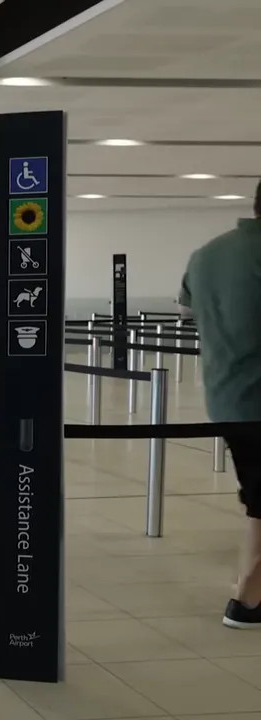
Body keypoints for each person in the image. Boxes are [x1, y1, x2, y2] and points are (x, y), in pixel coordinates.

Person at [178, 179, 261, 629]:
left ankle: (248, 593)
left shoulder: (207, 254)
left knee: (257, 499)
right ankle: (247, 601)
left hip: (227, 396)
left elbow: (190, 310)